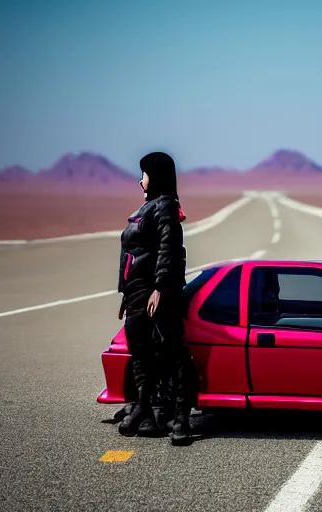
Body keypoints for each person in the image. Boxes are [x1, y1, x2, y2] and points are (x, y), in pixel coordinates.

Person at [116, 151, 196, 446]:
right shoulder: (148, 207)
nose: (141, 181)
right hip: (138, 293)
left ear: (157, 176)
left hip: (158, 293)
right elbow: (132, 256)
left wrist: (160, 288)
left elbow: (169, 247)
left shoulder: (165, 207)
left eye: (145, 174)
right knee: (141, 352)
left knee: (172, 352)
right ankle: (144, 411)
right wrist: (126, 293)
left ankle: (181, 420)